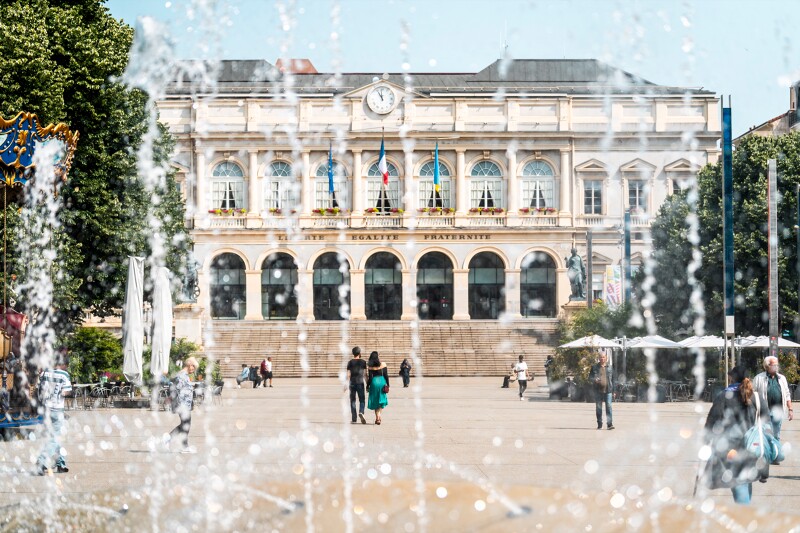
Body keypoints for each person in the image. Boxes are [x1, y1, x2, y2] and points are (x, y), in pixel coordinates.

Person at [701, 366, 770, 505]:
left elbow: (711, 423)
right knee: (746, 479)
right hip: (753, 446)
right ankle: (746, 512)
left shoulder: (724, 396)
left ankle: (744, 517)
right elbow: (766, 422)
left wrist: (705, 442)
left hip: (731, 449)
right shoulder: (756, 396)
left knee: (739, 481)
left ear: (732, 378)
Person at [36, 356, 72, 475]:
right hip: (57, 410)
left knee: (54, 437)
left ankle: (61, 464)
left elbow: (39, 389)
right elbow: (65, 392)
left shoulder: (45, 373)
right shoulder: (64, 375)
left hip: (46, 409)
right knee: (55, 438)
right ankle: (41, 462)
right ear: (64, 365)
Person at [752, 355, 792, 447]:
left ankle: (776, 455)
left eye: (777, 365)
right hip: (764, 412)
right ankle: (766, 455)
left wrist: (790, 409)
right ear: (767, 366)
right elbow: (753, 394)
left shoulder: (782, 378)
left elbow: (787, 394)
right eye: (774, 365)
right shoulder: (759, 378)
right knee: (765, 435)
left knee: (776, 435)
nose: (776, 367)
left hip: (778, 411)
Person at [165, 357, 199, 453]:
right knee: (186, 425)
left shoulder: (184, 375)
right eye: (194, 367)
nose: (194, 370)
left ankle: (169, 438)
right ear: (190, 365)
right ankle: (183, 446)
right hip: (182, 405)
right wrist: (171, 399)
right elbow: (175, 390)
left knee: (185, 425)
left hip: (185, 405)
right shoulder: (181, 376)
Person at [589, 352, 614, 429]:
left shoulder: (610, 367)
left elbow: (614, 379)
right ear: (599, 358)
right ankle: (599, 424)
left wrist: (614, 391)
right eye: (600, 357)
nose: (602, 358)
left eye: (603, 357)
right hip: (598, 391)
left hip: (608, 390)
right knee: (599, 408)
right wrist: (594, 380)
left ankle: (609, 424)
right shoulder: (594, 367)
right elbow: (590, 378)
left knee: (609, 407)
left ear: (606, 358)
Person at [366, 351, 389, 425]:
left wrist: (367, 386)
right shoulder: (383, 364)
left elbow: (370, 378)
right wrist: (388, 384)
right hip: (382, 382)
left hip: (374, 383)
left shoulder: (370, 366)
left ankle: (377, 417)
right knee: (381, 400)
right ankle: (379, 416)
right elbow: (386, 375)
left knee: (375, 400)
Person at [345, 347, 367, 424]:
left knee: (352, 400)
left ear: (353, 353)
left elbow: (348, 375)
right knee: (362, 400)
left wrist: (346, 385)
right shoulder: (363, 362)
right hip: (360, 383)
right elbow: (365, 374)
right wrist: (367, 384)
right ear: (359, 353)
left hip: (352, 383)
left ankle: (354, 418)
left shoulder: (350, 362)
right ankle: (361, 412)